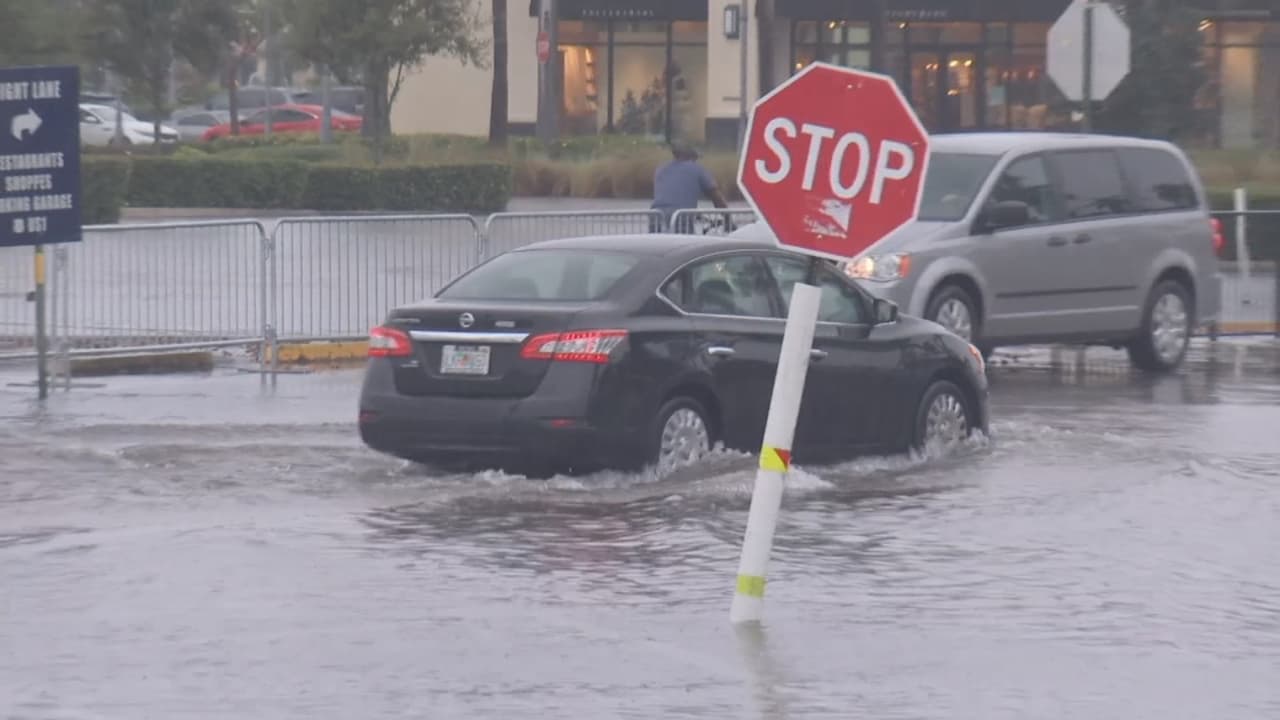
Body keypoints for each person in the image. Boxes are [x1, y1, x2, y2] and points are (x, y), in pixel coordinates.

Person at [650, 141, 730, 234]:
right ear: (690, 156)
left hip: (655, 217)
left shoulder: (661, 169)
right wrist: (728, 219)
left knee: (658, 246)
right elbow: (717, 198)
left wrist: (697, 215)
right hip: (681, 219)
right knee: (688, 246)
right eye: (695, 158)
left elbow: (672, 197)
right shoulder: (697, 169)